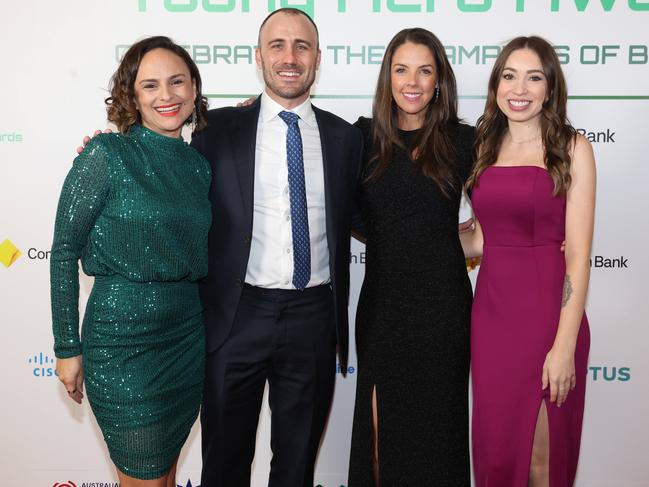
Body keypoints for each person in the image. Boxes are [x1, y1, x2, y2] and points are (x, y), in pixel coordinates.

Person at [190, 8, 362, 487]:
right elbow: (170, 189)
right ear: (259, 57)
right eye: (278, 45)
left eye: (302, 46)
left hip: (312, 317)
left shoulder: (346, 138)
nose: (290, 57)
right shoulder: (215, 130)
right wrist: (109, 151)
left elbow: (374, 215)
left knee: (295, 468)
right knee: (224, 464)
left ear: (318, 59)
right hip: (234, 316)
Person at [51, 36, 211, 487]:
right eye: (151, 86)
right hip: (122, 344)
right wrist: (67, 347)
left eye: (178, 82)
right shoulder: (106, 155)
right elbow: (63, 251)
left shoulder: (199, 166)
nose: (167, 96)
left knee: (164, 476)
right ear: (132, 96)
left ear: (194, 89)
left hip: (186, 340)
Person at [462, 36, 595, 487]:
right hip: (492, 319)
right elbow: (481, 239)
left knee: (542, 460)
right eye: (509, 75)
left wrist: (563, 346)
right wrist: (418, 235)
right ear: (496, 84)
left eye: (534, 77)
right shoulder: (482, 145)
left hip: (548, 318)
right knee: (497, 453)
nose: (520, 88)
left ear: (549, 86)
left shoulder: (573, 148)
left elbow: (577, 255)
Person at [348, 28, 474, 486]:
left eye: (425, 70)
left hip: (444, 311)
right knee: (379, 439)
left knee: (439, 437)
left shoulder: (464, 141)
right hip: (382, 308)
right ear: (388, 76)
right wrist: (240, 118)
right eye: (402, 69)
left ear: (439, 79)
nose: (413, 81)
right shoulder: (361, 139)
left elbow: (504, 202)